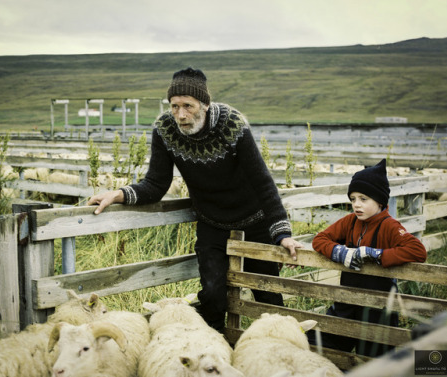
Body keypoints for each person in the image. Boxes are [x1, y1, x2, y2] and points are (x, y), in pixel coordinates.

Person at [88, 67, 303, 331]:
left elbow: (263, 182)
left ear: (205, 104)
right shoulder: (164, 129)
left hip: (254, 220)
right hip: (211, 222)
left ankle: (278, 349)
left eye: (188, 106)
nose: (180, 114)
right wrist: (119, 193)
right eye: (174, 106)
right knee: (213, 296)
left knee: (267, 294)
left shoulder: (232, 124)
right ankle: (213, 352)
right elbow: (155, 184)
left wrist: (282, 233)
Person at [308, 159, 427, 357]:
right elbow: (320, 239)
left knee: (374, 360)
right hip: (346, 303)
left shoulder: (389, 226)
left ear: (380, 201)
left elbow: (417, 250)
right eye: (353, 199)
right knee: (321, 346)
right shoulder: (349, 222)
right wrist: (340, 252)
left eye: (363, 199)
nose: (356, 205)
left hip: (378, 308)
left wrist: (377, 255)